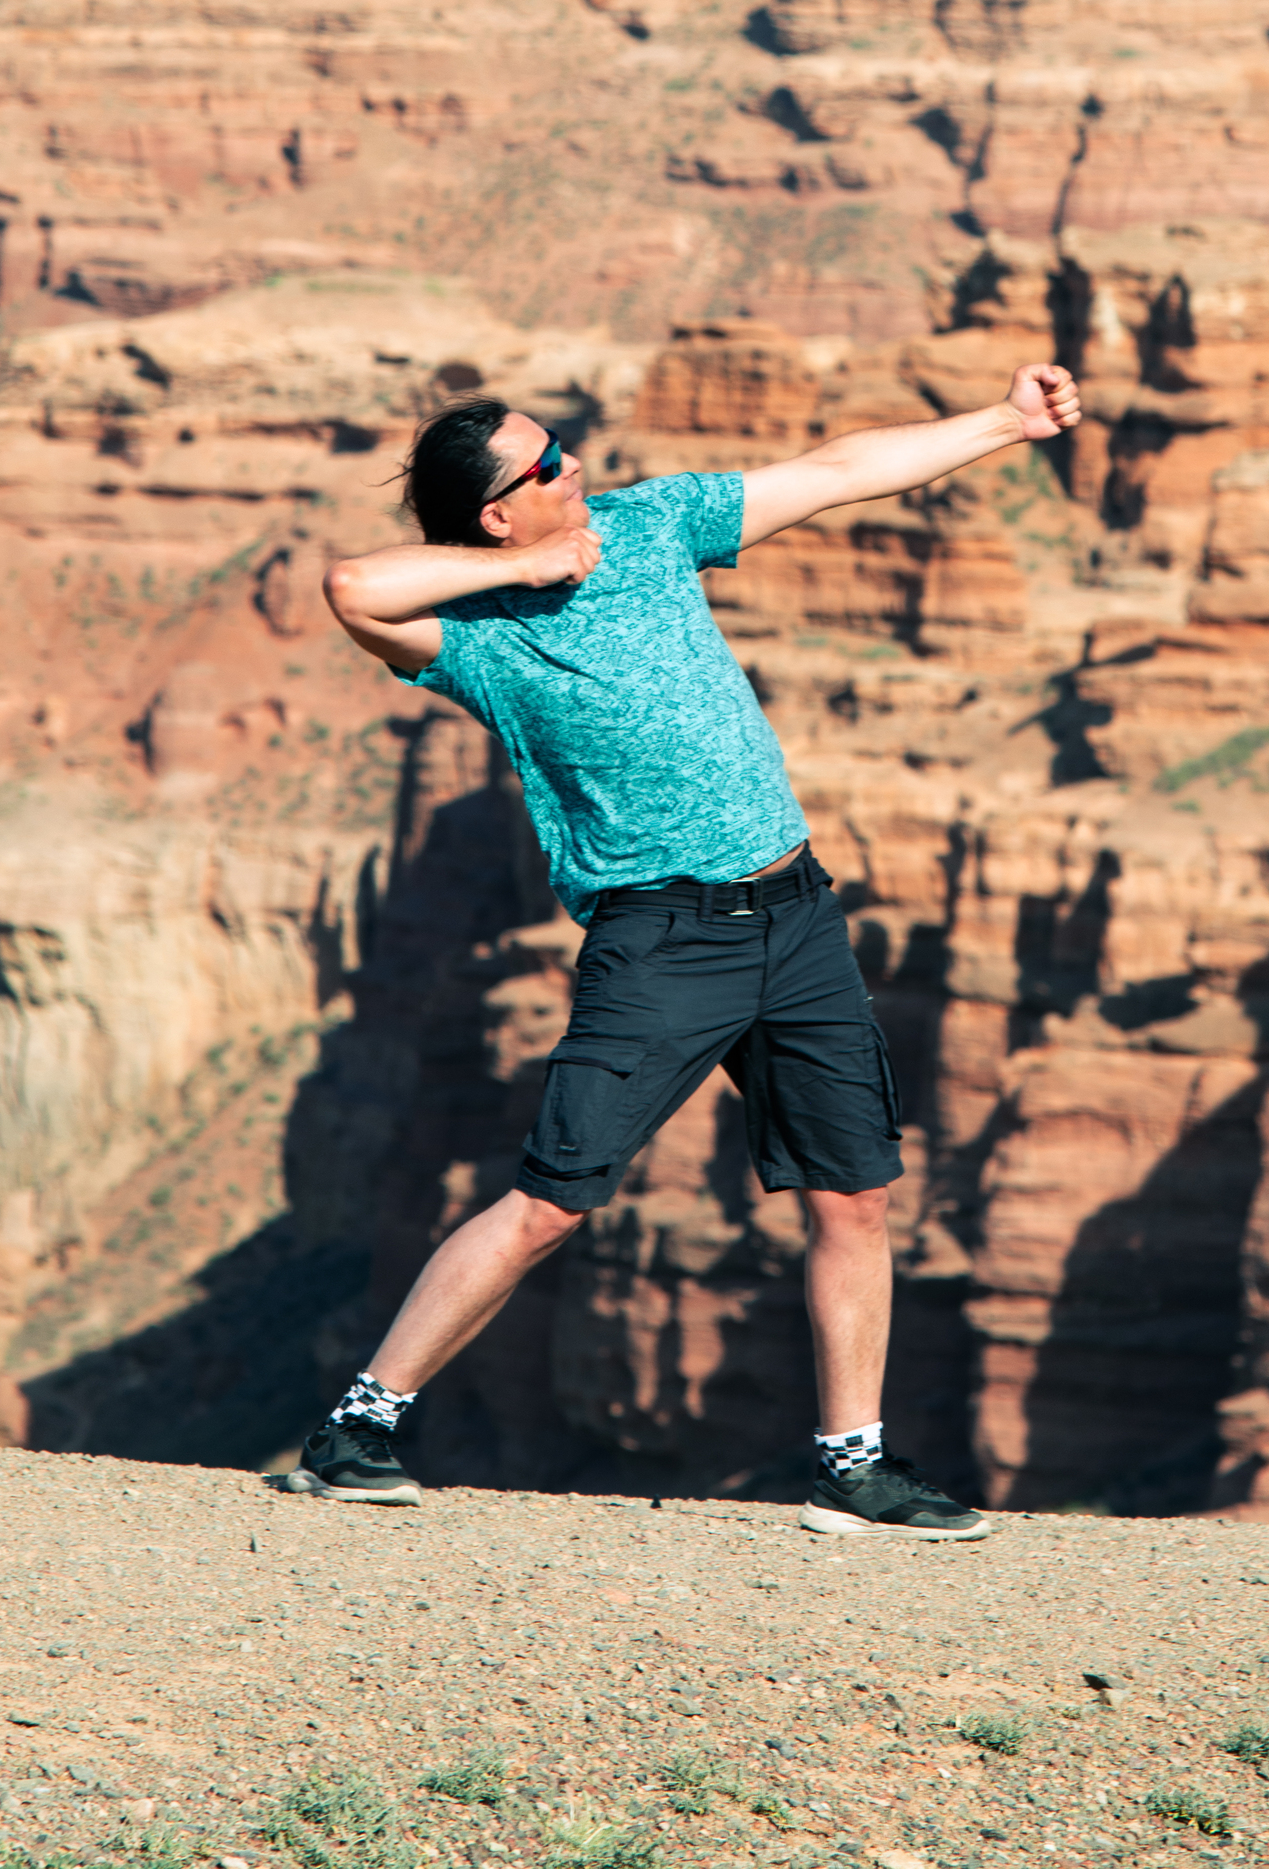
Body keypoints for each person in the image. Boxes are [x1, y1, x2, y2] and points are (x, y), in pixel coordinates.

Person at [289, 353, 1081, 1535]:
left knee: (853, 1197)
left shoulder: (650, 525)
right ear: (498, 511)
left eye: (565, 446)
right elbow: (354, 585)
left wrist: (1003, 426)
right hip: (661, 938)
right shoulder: (472, 641)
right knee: (554, 1202)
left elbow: (832, 473)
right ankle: (359, 1426)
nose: (579, 468)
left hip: (796, 913)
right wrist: (530, 566)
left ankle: (850, 1466)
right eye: (548, 465)